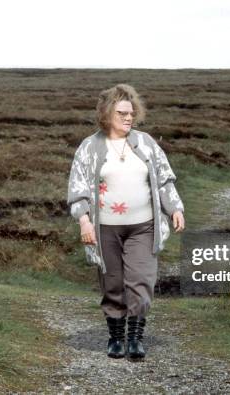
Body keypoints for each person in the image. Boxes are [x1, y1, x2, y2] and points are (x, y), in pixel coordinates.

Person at [67, 84, 185, 360]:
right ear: (107, 114)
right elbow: (78, 189)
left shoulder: (146, 143)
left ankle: (135, 338)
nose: (129, 118)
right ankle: (116, 338)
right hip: (104, 229)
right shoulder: (89, 147)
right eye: (122, 113)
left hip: (143, 226)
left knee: (142, 280)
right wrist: (84, 222)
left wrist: (175, 208)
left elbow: (165, 178)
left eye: (131, 113)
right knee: (113, 283)